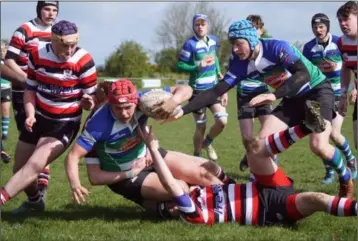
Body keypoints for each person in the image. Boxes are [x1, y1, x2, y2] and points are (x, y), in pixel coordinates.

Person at [160, 19, 354, 198]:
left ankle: (345, 177)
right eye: (232, 44)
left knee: (318, 146)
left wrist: (273, 95)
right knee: (258, 146)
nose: (235, 49)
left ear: (252, 40)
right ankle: (270, 188)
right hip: (292, 98)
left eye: (239, 43)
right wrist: (181, 110)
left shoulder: (276, 47)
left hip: (317, 92)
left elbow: (302, 74)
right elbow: (215, 91)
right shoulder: (240, 63)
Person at [64, 79, 233, 215]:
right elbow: (81, 165)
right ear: (109, 103)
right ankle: (151, 203)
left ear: (135, 101)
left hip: (150, 154)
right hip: (126, 176)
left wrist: (173, 101)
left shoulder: (141, 100)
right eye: (118, 108)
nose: (124, 113)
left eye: (128, 108)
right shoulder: (97, 124)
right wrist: (75, 185)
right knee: (182, 189)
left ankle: (238, 201)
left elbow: (186, 89)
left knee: (204, 173)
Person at [138, 124, 358, 226]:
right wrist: (154, 149)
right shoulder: (195, 215)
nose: (173, 207)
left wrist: (215, 171)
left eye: (167, 206)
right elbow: (170, 184)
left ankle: (306, 126)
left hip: (264, 185)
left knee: (254, 149)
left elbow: (217, 174)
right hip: (271, 209)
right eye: (169, 212)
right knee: (316, 199)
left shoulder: (201, 190)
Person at [0, 20, 98, 213]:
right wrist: (29, 114)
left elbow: (93, 97)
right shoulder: (37, 54)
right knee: (19, 170)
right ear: (53, 40)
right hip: (38, 118)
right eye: (65, 45)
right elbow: (30, 89)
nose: (70, 49)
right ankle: (36, 202)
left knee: (34, 164)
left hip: (64, 123)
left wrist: (89, 102)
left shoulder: (84, 60)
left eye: (73, 44)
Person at [4, 1, 59, 201]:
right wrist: (29, 81)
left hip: (47, 93)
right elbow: (9, 60)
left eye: (54, 10)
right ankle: (35, 192)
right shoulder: (24, 30)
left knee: (46, 137)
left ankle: (41, 184)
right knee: (29, 136)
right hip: (23, 92)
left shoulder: (57, 32)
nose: (51, 14)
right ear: (39, 10)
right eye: (47, 9)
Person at [303, 13, 357, 184]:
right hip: (319, 94)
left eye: (321, 27)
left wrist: (351, 87)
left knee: (334, 133)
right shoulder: (309, 47)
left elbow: (350, 66)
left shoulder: (339, 42)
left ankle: (351, 160)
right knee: (321, 136)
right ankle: (329, 172)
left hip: (338, 93)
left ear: (327, 27)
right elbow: (305, 71)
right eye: (315, 27)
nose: (318, 30)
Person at [174, 13, 228, 161]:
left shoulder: (213, 41)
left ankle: (208, 142)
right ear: (194, 26)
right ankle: (197, 158)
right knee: (201, 127)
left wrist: (218, 72)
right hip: (197, 91)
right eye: (197, 24)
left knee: (222, 121)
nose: (200, 27)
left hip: (213, 89)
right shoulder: (190, 44)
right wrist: (197, 66)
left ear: (207, 25)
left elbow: (215, 57)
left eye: (203, 24)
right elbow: (179, 65)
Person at [236, 15, 276, 180]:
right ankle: (253, 164)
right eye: (249, 29)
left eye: (256, 29)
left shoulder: (268, 49)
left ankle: (271, 169)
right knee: (247, 137)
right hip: (244, 95)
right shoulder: (239, 51)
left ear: (261, 30)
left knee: (268, 136)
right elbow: (230, 75)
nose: (253, 32)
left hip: (263, 94)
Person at [337, 1, 358, 152]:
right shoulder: (342, 42)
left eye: (347, 19)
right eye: (340, 20)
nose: (343, 23)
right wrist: (343, 93)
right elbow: (346, 67)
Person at [1, 40, 12, 163]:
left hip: (5, 89)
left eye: (3, 49)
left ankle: (4, 133)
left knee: (5, 111)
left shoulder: (9, 62)